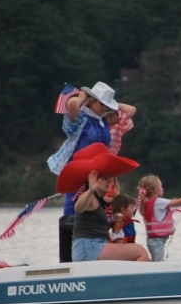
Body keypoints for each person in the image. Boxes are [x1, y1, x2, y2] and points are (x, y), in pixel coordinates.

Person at [48, 81, 138, 263]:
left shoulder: (103, 119)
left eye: (106, 105)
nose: (104, 108)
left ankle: (96, 250)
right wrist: (83, 96)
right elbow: (71, 103)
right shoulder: (81, 117)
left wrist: (111, 103)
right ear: (92, 100)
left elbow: (130, 111)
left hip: (96, 173)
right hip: (78, 169)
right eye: (101, 104)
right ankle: (71, 258)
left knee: (95, 211)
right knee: (73, 209)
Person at [56, 144, 148, 262]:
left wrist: (112, 225)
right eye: (104, 178)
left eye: (110, 178)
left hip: (94, 246)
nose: (109, 181)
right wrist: (91, 190)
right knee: (140, 251)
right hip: (88, 248)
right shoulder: (89, 197)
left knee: (143, 258)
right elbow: (78, 208)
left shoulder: (99, 199)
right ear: (93, 180)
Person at [137, 174, 181, 262]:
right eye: (161, 186)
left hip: (154, 241)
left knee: (158, 261)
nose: (162, 188)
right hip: (157, 242)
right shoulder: (159, 202)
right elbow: (180, 201)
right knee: (158, 263)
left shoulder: (148, 203)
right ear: (156, 190)